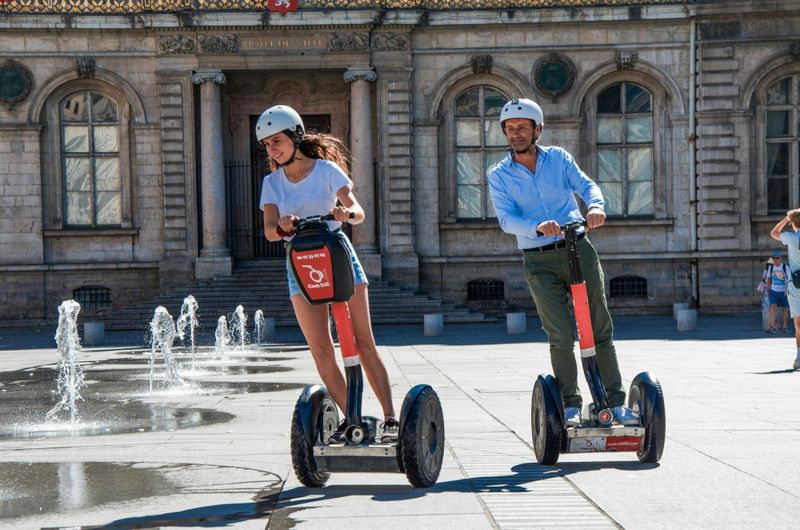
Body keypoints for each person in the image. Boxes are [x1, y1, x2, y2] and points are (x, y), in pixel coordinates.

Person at [487, 98, 639, 426]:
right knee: (560, 335)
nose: (515, 134)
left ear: (537, 129)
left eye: (522, 128)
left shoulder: (558, 158)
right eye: (510, 129)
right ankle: (571, 404)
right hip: (538, 260)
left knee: (600, 328)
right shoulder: (498, 174)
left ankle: (616, 402)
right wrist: (535, 227)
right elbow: (505, 219)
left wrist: (596, 206)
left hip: (578, 248)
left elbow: (586, 186)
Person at [256, 104, 399, 442]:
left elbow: (358, 212)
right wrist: (281, 225)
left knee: (363, 343)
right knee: (321, 351)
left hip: (337, 254)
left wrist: (344, 212)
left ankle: (391, 419)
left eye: (276, 141)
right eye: (266, 145)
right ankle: (355, 421)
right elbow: (268, 231)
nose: (272, 150)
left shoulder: (327, 170)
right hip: (300, 262)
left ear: (295, 137)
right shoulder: (272, 183)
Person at [769, 210, 800, 370]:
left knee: (798, 323)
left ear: (793, 223)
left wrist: (785, 219)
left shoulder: (791, 237)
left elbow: (774, 233)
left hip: (796, 284)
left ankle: (799, 356)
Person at [766, 250, 790, 334]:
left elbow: (788, 279)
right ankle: (772, 326)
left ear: (780, 259)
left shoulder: (785, 267)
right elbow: (769, 279)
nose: (775, 260)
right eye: (774, 258)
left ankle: (784, 326)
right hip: (774, 291)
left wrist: (787, 289)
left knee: (785, 309)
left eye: (777, 258)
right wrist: (768, 289)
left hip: (783, 291)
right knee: (772, 307)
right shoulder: (771, 267)